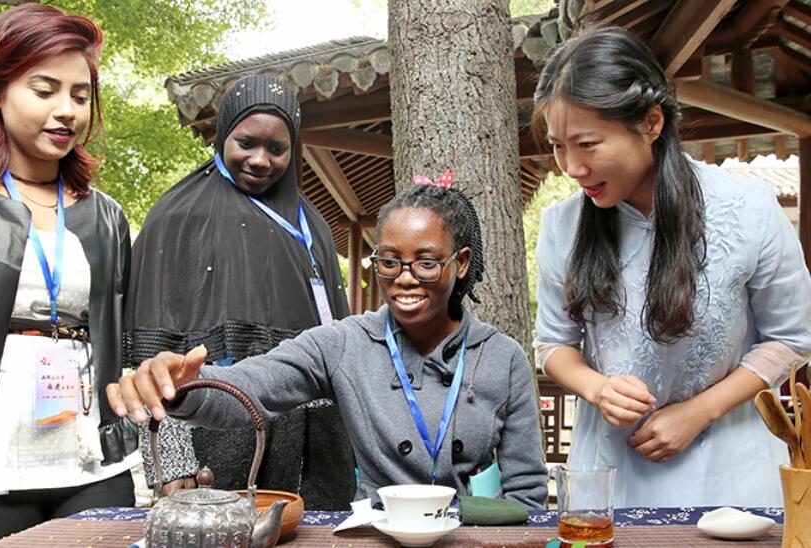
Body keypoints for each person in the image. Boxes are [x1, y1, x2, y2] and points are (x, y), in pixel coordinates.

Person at [110, 179, 550, 509]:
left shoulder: (503, 358)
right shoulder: (345, 343)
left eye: (427, 263)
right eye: (389, 262)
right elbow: (254, 386)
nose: (405, 279)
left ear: (461, 263)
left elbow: (527, 494)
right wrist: (184, 385)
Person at [532, 27, 811, 507]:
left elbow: (793, 337)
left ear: (651, 122)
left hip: (729, 467)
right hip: (609, 473)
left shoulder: (747, 207)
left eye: (587, 144)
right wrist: (598, 389)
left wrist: (699, 411)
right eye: (559, 146)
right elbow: (553, 344)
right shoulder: (564, 225)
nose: (571, 167)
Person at [0, 4, 138, 546]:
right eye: (44, 90)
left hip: (89, 464)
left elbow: (130, 342)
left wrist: (171, 457)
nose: (66, 110)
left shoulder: (106, 215)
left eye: (80, 94)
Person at [124, 74, 355, 509]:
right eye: (246, 142)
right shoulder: (178, 217)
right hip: (212, 430)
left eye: (277, 148)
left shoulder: (313, 226)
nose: (260, 159)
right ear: (223, 134)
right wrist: (170, 462)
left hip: (311, 439)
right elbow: (150, 353)